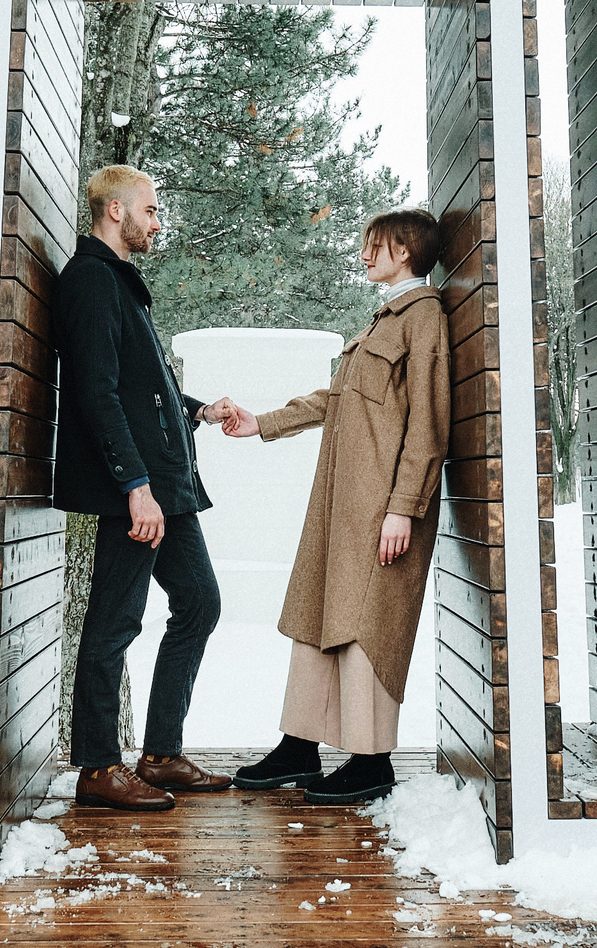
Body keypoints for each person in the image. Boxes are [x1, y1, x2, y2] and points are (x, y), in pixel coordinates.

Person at [222, 208, 451, 804]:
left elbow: (429, 424)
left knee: (365, 624)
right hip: (342, 502)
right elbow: (337, 398)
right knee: (317, 613)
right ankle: (300, 746)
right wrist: (263, 423)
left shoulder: (422, 319)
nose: (364, 254)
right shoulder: (384, 320)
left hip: (381, 506)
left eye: (375, 245)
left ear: (404, 250)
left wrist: (404, 506)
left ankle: (371, 761)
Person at [52, 164, 249, 812]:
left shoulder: (119, 283)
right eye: (151, 210)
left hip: (168, 483)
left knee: (198, 602)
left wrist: (196, 410)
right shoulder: (89, 281)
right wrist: (134, 485)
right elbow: (98, 394)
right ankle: (98, 765)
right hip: (136, 489)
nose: (157, 222)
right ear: (115, 210)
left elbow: (141, 388)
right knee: (115, 621)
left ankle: (160, 753)